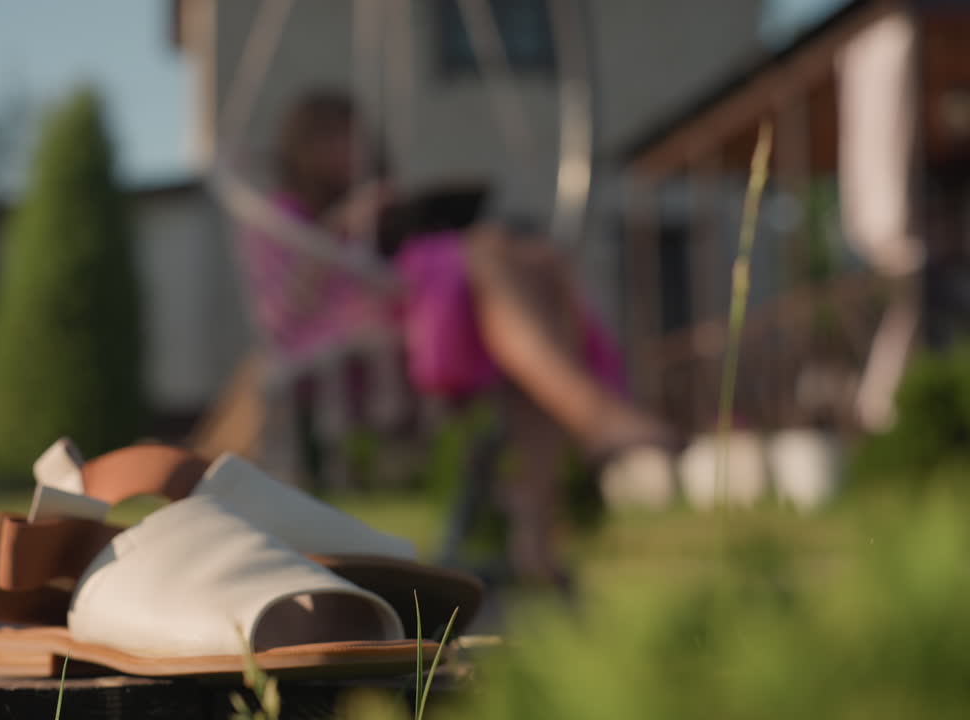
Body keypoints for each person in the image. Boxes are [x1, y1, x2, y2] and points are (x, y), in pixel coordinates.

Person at [238, 89, 672, 583]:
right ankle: (596, 417)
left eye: (354, 137)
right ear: (303, 150)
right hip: (354, 344)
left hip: (419, 317)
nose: (348, 150)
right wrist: (343, 225)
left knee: (534, 262)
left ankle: (538, 532)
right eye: (333, 139)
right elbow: (285, 308)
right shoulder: (283, 214)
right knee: (492, 254)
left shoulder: (379, 209)